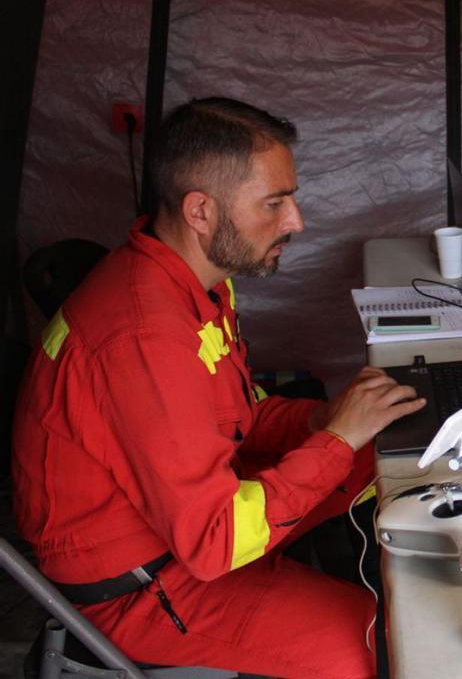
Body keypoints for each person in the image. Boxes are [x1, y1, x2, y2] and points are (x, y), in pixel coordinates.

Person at [11, 97, 426, 678]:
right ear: (200, 211)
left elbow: (234, 414)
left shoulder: (192, 283)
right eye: (274, 203)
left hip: (184, 525)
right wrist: (335, 440)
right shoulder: (143, 337)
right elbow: (215, 541)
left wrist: (326, 420)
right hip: (146, 585)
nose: (296, 221)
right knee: (388, 645)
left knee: (384, 452)